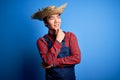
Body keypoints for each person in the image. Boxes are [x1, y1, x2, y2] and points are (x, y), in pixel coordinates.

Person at [32, 3, 81, 80]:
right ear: (45, 23)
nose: (56, 21)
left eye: (58, 17)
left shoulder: (70, 36)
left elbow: (77, 58)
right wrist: (58, 40)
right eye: (51, 18)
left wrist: (53, 64)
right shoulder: (42, 41)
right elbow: (48, 61)